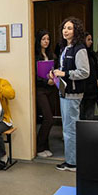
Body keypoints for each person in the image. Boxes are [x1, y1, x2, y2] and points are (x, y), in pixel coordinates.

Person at [51, 17, 89, 172]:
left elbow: (84, 72)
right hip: (64, 92)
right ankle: (72, 159)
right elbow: (64, 68)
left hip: (73, 94)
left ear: (76, 31)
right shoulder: (64, 48)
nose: (65, 31)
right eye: (64, 28)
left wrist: (65, 73)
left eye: (69, 28)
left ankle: (72, 163)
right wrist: (56, 73)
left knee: (70, 129)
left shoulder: (79, 49)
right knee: (68, 128)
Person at [35, 30, 57, 158]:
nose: (46, 41)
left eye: (48, 39)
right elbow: (34, 76)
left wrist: (54, 79)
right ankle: (39, 147)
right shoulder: (35, 56)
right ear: (39, 40)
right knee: (48, 119)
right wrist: (46, 81)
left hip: (51, 89)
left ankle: (45, 146)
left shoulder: (51, 55)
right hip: (40, 89)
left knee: (50, 118)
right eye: (43, 39)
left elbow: (56, 70)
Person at [80, 33, 98, 120]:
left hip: (92, 90)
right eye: (88, 39)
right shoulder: (79, 54)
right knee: (80, 116)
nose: (91, 42)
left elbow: (96, 74)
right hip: (82, 90)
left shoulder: (92, 54)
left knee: (90, 116)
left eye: (91, 39)